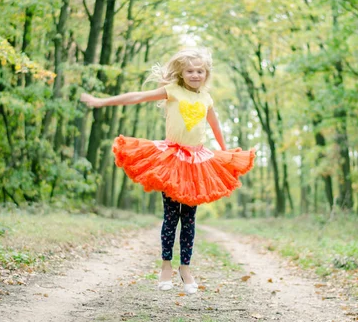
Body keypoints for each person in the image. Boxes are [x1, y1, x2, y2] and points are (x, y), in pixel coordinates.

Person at [80, 48, 255, 294]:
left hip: (196, 163)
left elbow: (215, 127)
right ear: (182, 74)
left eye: (200, 71)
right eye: (190, 71)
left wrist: (227, 155)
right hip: (172, 160)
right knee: (171, 217)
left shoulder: (207, 98)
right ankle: (165, 266)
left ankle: (185, 268)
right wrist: (102, 101)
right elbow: (136, 97)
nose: (195, 75)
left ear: (206, 74)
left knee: (190, 219)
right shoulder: (172, 91)